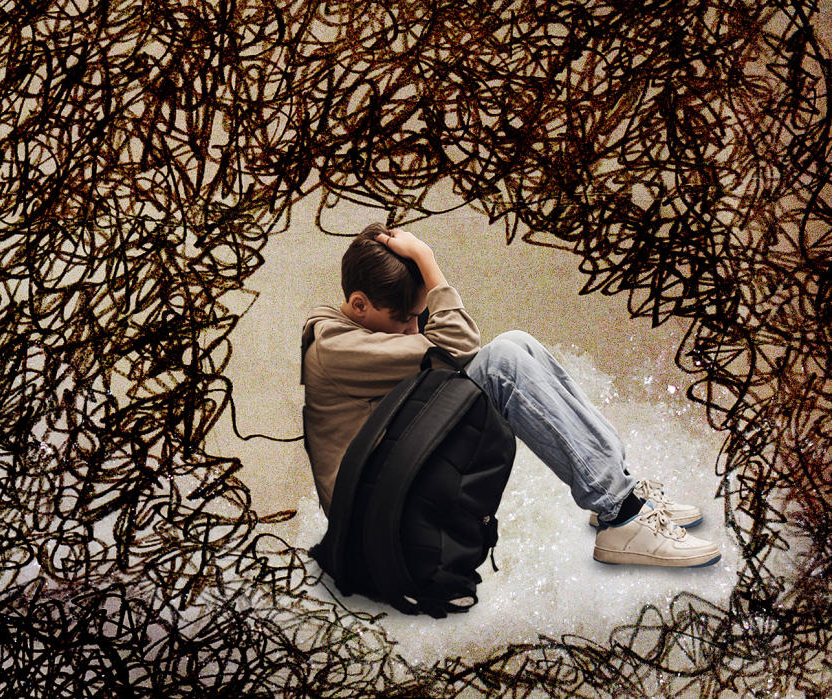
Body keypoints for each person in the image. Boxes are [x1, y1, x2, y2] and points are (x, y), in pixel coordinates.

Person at [300, 222, 720, 567]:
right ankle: (622, 514)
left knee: (515, 342)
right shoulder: (336, 348)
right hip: (377, 529)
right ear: (358, 304)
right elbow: (459, 343)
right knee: (500, 362)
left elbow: (448, 350)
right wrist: (428, 262)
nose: (415, 330)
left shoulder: (353, 331)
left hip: (390, 493)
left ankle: (621, 492)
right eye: (408, 320)